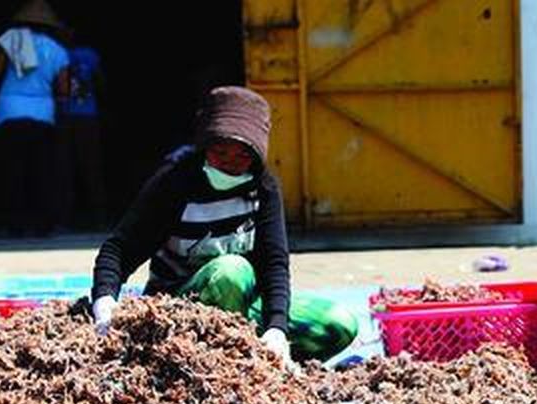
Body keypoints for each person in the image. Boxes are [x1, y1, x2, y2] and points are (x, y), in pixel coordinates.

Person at [89, 86, 358, 373]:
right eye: (220, 152)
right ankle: (216, 367)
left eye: (242, 156)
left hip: (243, 304)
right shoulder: (176, 182)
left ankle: (259, 361)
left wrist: (276, 327)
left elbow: (273, 263)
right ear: (204, 147)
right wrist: (105, 302)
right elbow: (119, 249)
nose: (230, 163)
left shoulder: (263, 188)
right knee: (232, 272)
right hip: (179, 308)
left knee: (339, 323)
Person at [0, 0, 70, 237]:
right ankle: (44, 225)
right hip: (42, 115)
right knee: (41, 171)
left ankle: (15, 225)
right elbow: (63, 89)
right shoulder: (58, 50)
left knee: (12, 171)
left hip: (9, 111)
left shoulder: (12, 38)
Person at [56, 31, 106, 229]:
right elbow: (101, 81)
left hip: (69, 116)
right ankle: (97, 217)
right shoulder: (89, 54)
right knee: (89, 166)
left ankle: (64, 219)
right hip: (86, 115)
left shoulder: (60, 53)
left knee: (67, 167)